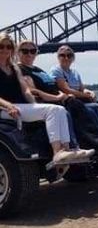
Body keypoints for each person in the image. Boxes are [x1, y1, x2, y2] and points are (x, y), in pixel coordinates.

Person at [0, 33, 89, 163]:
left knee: (60, 109)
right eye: (1, 46)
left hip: (21, 106)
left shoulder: (14, 68)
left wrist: (35, 102)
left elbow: (25, 90)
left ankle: (68, 150)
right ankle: (57, 152)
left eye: (8, 47)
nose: (5, 49)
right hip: (5, 109)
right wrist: (9, 106)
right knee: (52, 111)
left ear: (12, 49)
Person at [16, 40, 98, 151]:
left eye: (32, 51)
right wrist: (58, 97)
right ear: (17, 52)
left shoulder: (38, 69)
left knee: (93, 108)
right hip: (50, 101)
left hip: (62, 98)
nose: (29, 54)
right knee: (74, 110)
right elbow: (33, 91)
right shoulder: (20, 69)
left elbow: (55, 86)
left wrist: (64, 94)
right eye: (25, 51)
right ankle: (75, 146)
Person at [50, 45, 98, 138]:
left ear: (73, 58)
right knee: (95, 107)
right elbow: (65, 89)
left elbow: (82, 88)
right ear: (58, 57)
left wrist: (90, 92)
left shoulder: (75, 72)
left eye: (69, 55)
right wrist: (86, 96)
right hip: (71, 102)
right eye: (62, 55)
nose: (66, 58)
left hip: (81, 100)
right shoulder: (56, 70)